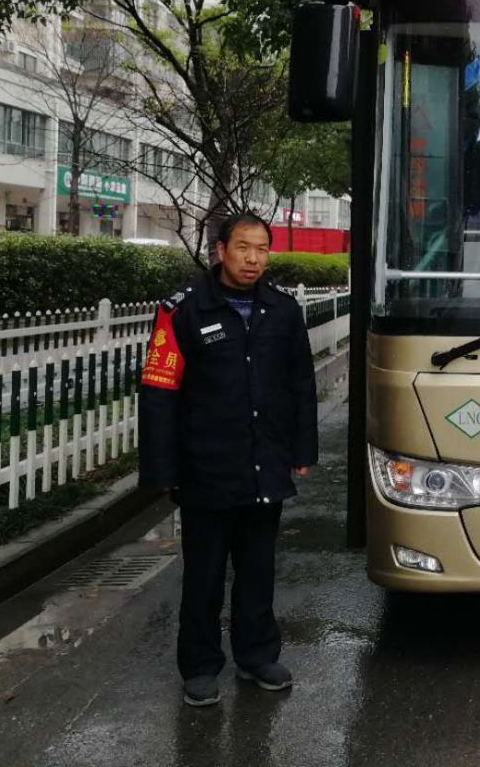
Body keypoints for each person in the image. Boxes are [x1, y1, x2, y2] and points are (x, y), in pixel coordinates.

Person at [139, 211, 319, 707]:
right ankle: (199, 666)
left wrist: (302, 449)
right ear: (220, 250)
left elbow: (300, 383)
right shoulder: (182, 311)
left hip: (265, 464)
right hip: (205, 469)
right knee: (204, 574)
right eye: (243, 247)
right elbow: (159, 391)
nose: (253, 258)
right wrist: (163, 468)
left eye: (262, 249)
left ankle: (257, 654)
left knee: (258, 568)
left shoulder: (283, 310)